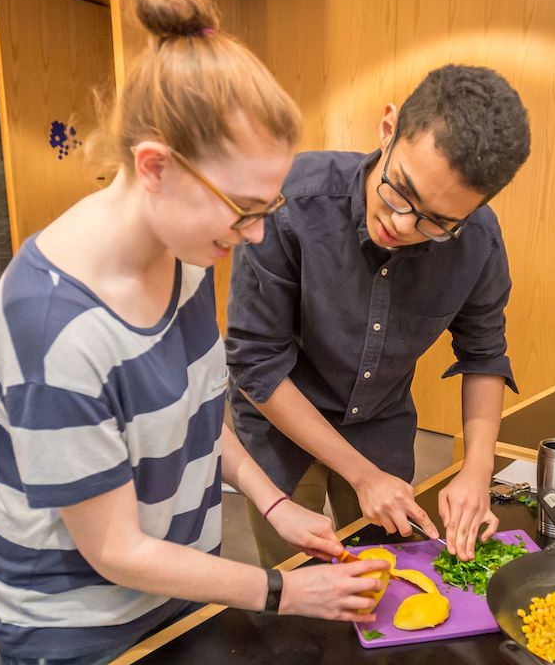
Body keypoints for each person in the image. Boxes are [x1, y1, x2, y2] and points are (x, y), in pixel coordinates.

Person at [0, 0, 386, 665]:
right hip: (79, 628)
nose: (257, 233)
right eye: (244, 208)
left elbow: (201, 415)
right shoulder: (53, 329)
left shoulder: (187, 255)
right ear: (155, 167)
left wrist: (272, 503)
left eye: (271, 206)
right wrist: (281, 589)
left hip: (175, 583)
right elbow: (115, 549)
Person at [226, 64, 530, 566]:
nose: (403, 224)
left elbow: (485, 354)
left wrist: (477, 469)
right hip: (280, 422)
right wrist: (361, 475)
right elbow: (255, 363)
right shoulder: (291, 201)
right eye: (400, 191)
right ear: (388, 129)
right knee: (296, 581)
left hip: (380, 426)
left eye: (437, 222)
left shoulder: (477, 240)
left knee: (384, 571)